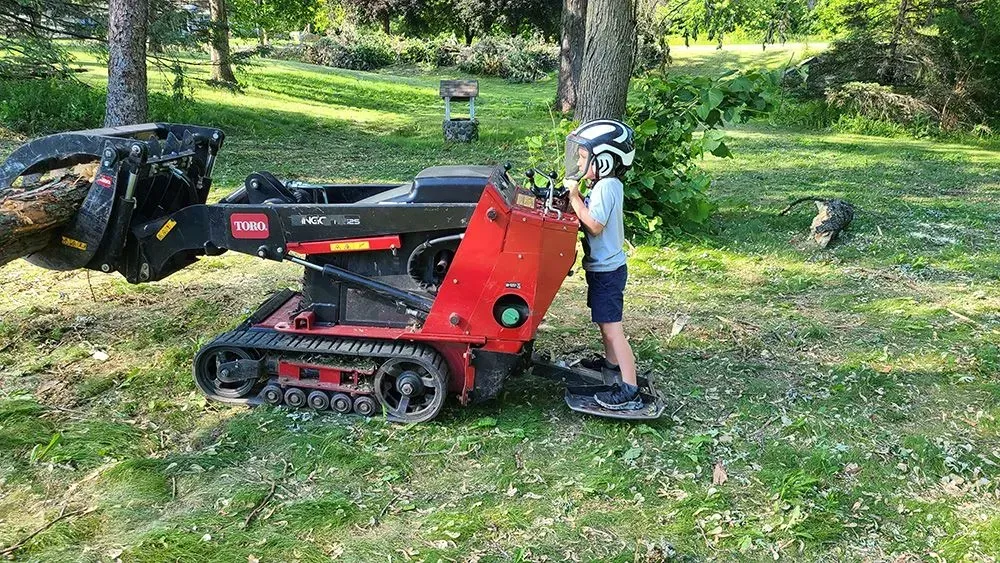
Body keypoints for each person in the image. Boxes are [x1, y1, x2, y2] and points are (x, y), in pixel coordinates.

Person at [562, 119, 642, 411]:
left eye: (586, 158)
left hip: (608, 271)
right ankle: (610, 365)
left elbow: (594, 225)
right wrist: (578, 198)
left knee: (612, 329)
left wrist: (574, 198)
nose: (581, 164)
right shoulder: (602, 185)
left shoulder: (607, 186)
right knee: (603, 323)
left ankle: (629, 386)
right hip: (602, 268)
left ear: (607, 160)